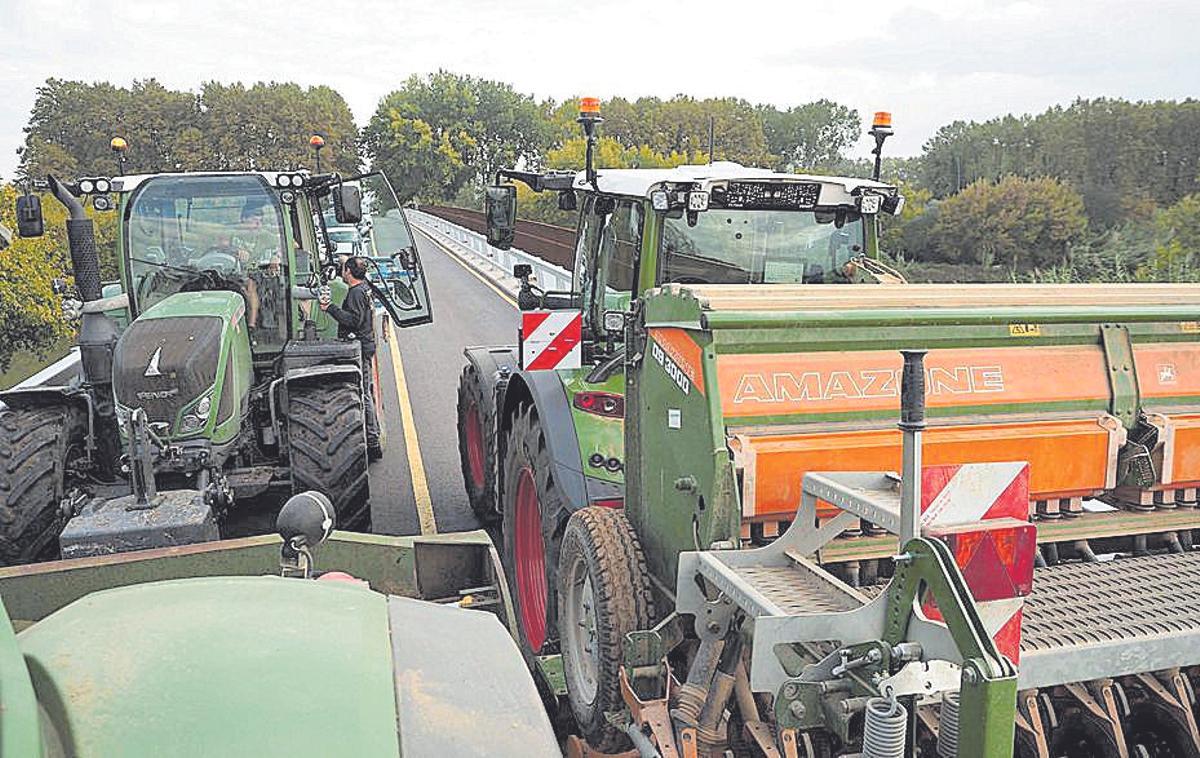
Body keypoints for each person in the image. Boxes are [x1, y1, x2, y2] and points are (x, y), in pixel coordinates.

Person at [319, 256, 382, 460]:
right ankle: (373, 435)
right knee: (367, 391)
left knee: (363, 393)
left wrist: (330, 308)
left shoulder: (355, 293)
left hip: (360, 347)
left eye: (343, 269)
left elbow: (353, 320)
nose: (341, 272)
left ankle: (372, 441)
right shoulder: (365, 288)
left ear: (348, 272)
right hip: (368, 344)